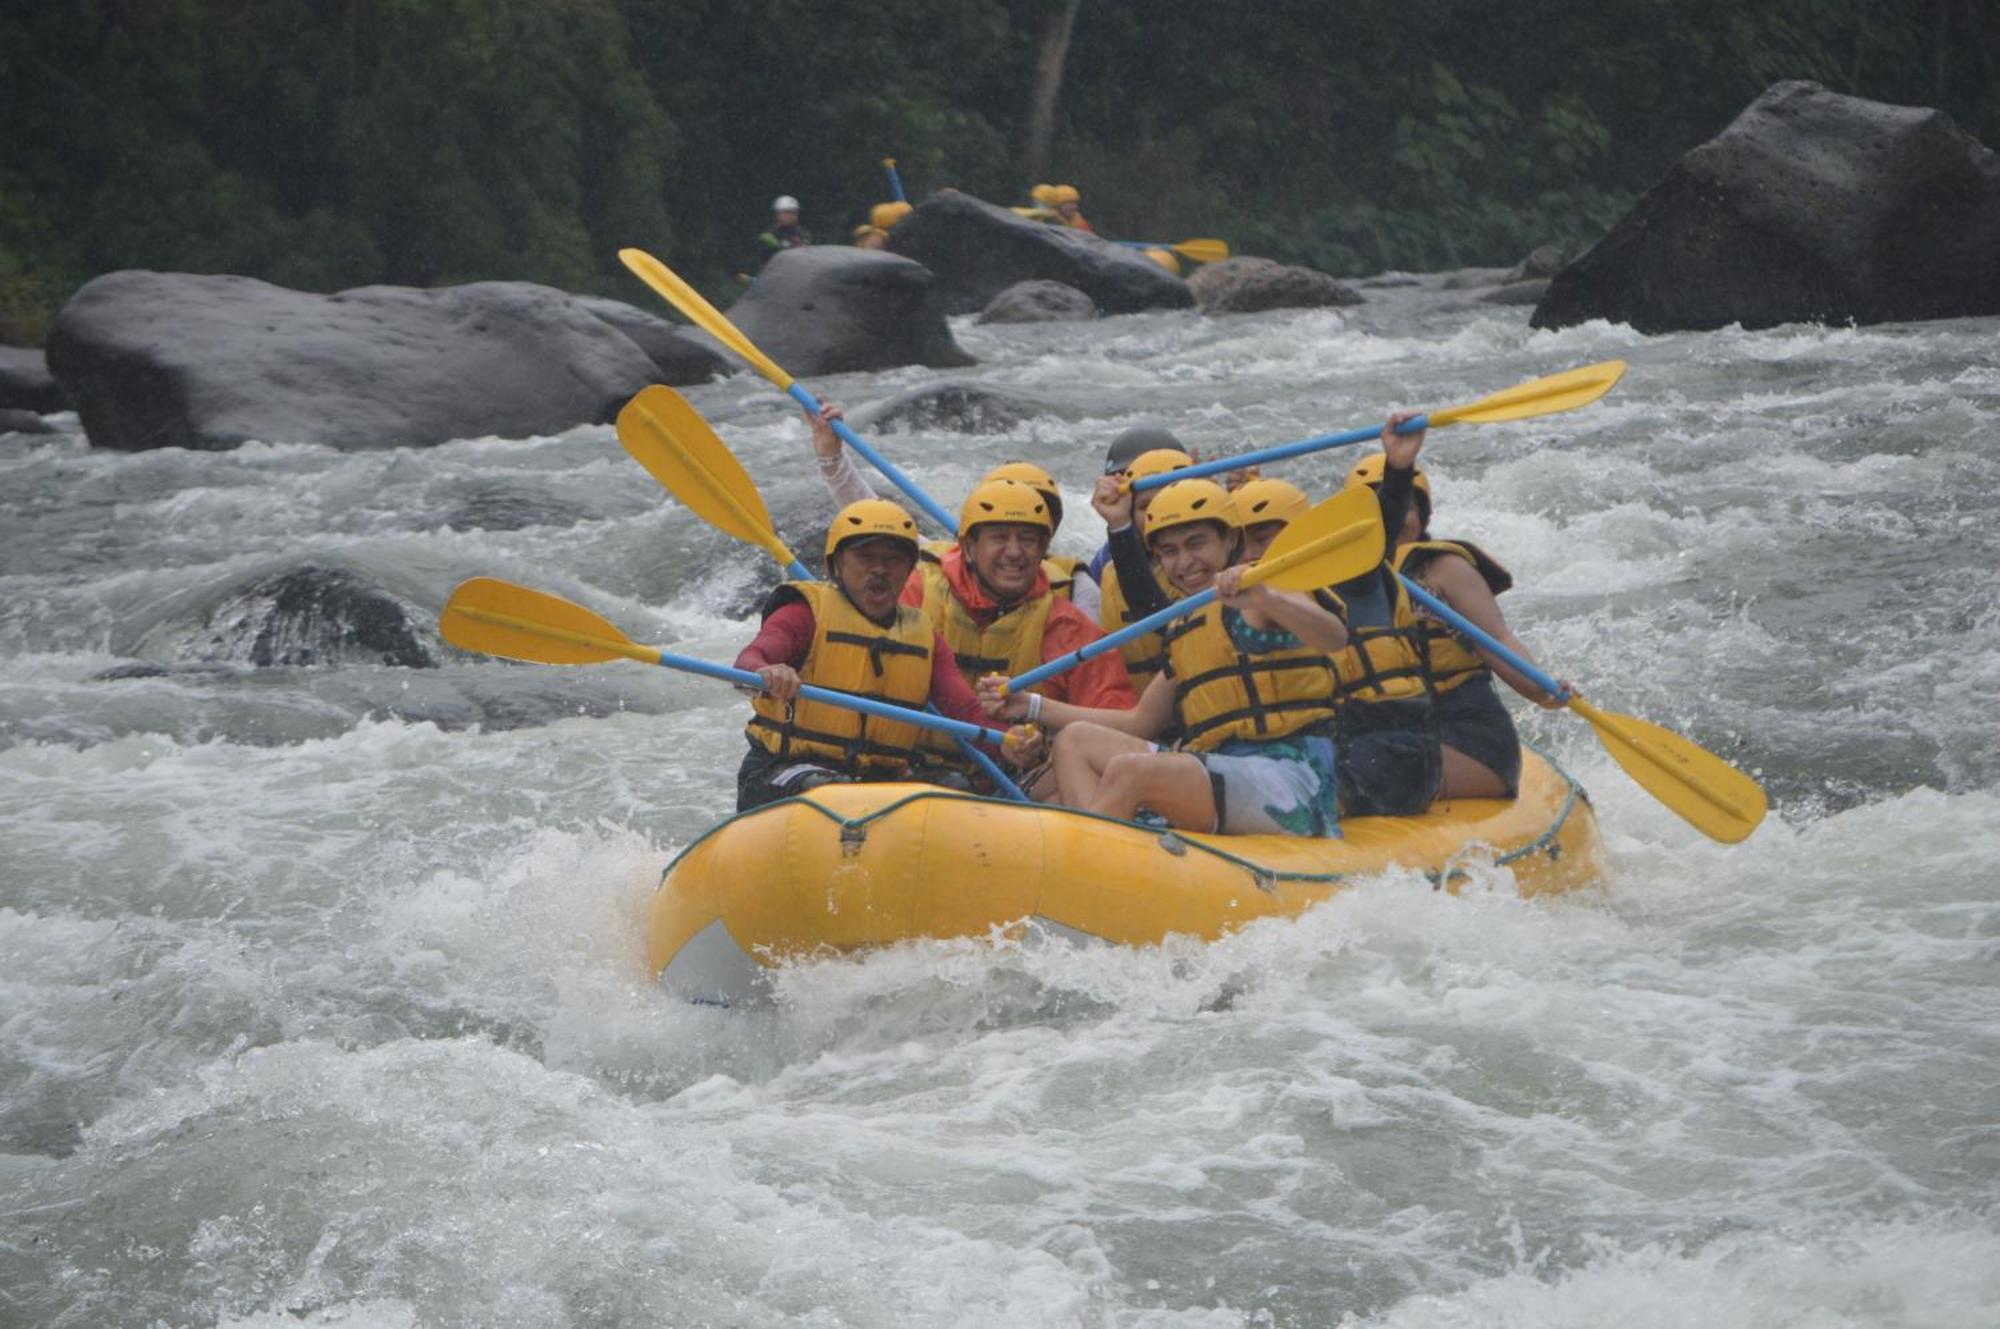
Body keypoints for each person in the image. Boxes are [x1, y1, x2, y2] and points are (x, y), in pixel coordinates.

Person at [979, 479, 1348, 836]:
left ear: (1231, 540)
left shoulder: (1271, 590)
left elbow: (1333, 636)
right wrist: (1029, 705)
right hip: (1220, 767)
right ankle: (1109, 855)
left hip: (1293, 778)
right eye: (1169, 552)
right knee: (1074, 741)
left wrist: (1266, 595)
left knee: (1132, 772)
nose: (1184, 562)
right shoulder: (1187, 625)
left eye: (1196, 544)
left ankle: (1087, 864)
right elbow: (1139, 722)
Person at [733, 499, 1025, 811]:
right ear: (835, 565)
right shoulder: (804, 613)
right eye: (865, 557)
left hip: (875, 777)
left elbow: (965, 713)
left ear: (909, 570)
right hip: (783, 769)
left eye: (893, 559)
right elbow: (750, 660)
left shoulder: (923, 635)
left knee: (955, 787)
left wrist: (1010, 744)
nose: (879, 570)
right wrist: (768, 672)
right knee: (830, 790)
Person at [1346, 429, 1566, 799]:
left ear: (1423, 512)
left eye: (1405, 508)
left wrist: (1540, 690)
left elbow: (1497, 639)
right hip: (1385, 734)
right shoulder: (1343, 583)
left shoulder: (1444, 569)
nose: (1395, 520)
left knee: (1358, 768)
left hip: (1465, 738)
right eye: (1376, 509)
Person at [907, 479, 1136, 788]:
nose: (1014, 552)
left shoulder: (1067, 627)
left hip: (1010, 785)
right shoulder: (917, 592)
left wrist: (1045, 742)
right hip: (911, 768)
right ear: (970, 548)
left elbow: (1115, 731)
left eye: (1028, 540)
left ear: (1043, 550)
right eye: (999, 538)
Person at [796, 406, 1102, 618]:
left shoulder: (1075, 586)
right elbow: (872, 519)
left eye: (1029, 527)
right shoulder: (941, 565)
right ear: (973, 535)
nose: (1013, 548)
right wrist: (831, 457)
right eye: (998, 529)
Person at [1092, 445, 1194, 691]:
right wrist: (1118, 526)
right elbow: (1151, 608)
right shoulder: (1110, 571)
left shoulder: (1228, 567)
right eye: (1145, 506)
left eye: (1171, 499)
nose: (1159, 514)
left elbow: (1157, 613)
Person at [753, 195, 811, 272]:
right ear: (777, 214)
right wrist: (790, 245)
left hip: (797, 272)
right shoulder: (768, 234)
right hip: (773, 273)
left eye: (794, 212)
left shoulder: (803, 232)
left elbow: (806, 248)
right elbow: (777, 247)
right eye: (787, 212)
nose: (791, 216)